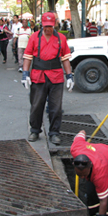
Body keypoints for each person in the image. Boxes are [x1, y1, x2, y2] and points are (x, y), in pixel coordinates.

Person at [21, 12, 74, 145]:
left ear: (55, 24)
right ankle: (34, 130)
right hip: (38, 76)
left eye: (50, 26)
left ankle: (54, 133)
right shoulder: (34, 37)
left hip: (56, 76)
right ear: (41, 25)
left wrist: (69, 76)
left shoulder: (61, 38)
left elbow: (65, 59)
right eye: (45, 26)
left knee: (56, 107)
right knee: (36, 105)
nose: (48, 29)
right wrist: (25, 74)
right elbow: (27, 56)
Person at [71, 130, 108, 216]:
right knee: (91, 193)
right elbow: (82, 132)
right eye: (79, 175)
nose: (82, 177)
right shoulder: (75, 148)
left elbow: (104, 200)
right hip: (99, 151)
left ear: (89, 167)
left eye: (84, 175)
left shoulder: (100, 173)